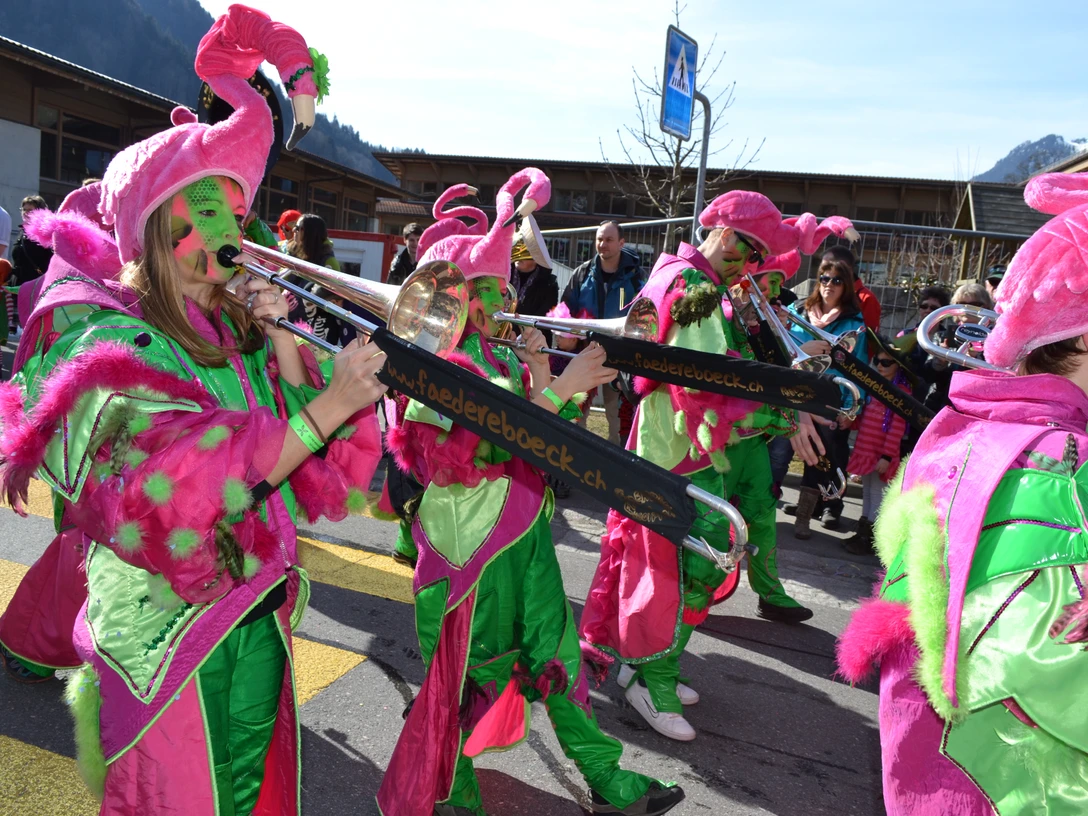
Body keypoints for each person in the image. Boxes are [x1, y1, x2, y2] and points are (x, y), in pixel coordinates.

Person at [0, 11, 385, 814]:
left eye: (236, 215)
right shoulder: (111, 343)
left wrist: (284, 343)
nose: (230, 231)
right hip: (167, 635)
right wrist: (325, 407)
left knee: (245, 793)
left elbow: (316, 479)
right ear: (153, 225)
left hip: (255, 609)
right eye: (205, 210)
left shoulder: (236, 331)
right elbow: (189, 477)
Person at [378, 168, 684, 816]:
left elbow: (545, 445)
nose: (503, 302)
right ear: (455, 302)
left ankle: (607, 778)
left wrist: (544, 374)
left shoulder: (504, 358)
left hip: (524, 534)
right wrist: (560, 388)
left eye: (504, 288)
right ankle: (452, 792)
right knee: (466, 674)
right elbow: (471, 453)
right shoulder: (433, 370)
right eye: (488, 291)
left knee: (559, 659)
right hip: (468, 553)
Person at [836, 170, 1088, 814]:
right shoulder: (1065, 468)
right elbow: (1053, 668)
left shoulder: (964, 430)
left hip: (930, 778)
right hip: (1012, 783)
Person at [580, 191, 817, 743]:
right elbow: (709, 385)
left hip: (671, 444)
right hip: (682, 452)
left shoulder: (680, 274)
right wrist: (783, 412)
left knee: (671, 565)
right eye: (746, 249)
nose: (747, 264)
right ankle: (652, 679)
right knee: (689, 569)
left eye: (756, 256)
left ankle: (643, 665)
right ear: (722, 232)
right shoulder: (696, 289)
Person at [786, 254, 868, 539]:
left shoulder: (853, 323)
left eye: (836, 280)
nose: (828, 285)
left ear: (846, 286)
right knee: (781, 453)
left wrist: (851, 407)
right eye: (824, 278)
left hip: (831, 397)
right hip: (793, 391)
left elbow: (860, 368)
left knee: (823, 456)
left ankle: (813, 514)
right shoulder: (797, 311)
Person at [558, 220, 645, 445]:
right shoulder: (581, 273)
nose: (602, 244)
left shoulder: (636, 276)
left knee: (617, 421)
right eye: (599, 239)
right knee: (575, 414)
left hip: (620, 357)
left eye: (608, 240)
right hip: (585, 353)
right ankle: (573, 456)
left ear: (621, 243)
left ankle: (618, 461)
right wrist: (567, 338)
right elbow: (565, 310)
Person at [842, 332, 915, 555]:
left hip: (881, 452)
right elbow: (865, 415)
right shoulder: (875, 386)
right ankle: (862, 532)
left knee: (878, 493)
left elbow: (897, 428)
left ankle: (871, 538)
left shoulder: (900, 392)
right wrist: (851, 420)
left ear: (898, 366)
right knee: (867, 491)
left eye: (886, 363)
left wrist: (887, 456)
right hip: (866, 448)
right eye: (877, 361)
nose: (880, 366)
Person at [283, 212, 340, 325]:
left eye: (298, 228)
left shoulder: (328, 261)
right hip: (285, 318)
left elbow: (333, 295)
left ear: (310, 232)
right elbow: (280, 282)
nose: (293, 230)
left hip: (313, 326)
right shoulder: (291, 253)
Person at [823, 244, 880, 332]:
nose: (823, 271)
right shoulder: (823, 291)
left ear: (845, 267)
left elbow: (869, 336)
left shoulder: (865, 299)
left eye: (827, 266)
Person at [387, 222, 423, 286]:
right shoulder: (397, 264)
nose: (415, 243)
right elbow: (390, 287)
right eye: (411, 240)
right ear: (405, 240)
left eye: (418, 240)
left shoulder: (427, 262)